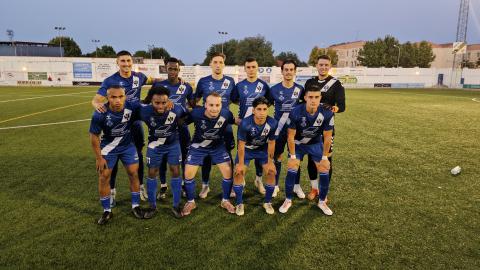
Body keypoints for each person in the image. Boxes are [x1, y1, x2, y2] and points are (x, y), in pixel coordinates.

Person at [91, 50, 154, 205]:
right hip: (117, 121)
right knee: (113, 155)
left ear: (132, 62)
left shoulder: (139, 77)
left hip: (134, 122)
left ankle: (139, 187)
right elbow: (96, 99)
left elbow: (154, 81)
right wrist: (97, 105)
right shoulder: (110, 80)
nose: (126, 64)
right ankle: (112, 189)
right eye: (123, 61)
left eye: (128, 61)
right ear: (117, 62)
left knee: (137, 154)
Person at [89, 86, 154, 225]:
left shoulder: (132, 106)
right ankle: (107, 210)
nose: (117, 100)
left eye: (120, 97)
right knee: (103, 177)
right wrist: (99, 157)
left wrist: (169, 103)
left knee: (133, 173)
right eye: (113, 97)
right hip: (108, 148)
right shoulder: (100, 113)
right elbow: (94, 136)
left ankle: (135, 206)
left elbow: (151, 105)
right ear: (107, 98)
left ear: (125, 97)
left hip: (127, 147)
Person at [278, 84, 334, 215]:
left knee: (325, 169)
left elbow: (327, 137)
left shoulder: (327, 112)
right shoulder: (295, 111)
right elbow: (290, 136)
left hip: (315, 144)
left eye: (316, 97)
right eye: (310, 97)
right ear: (305, 97)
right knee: (292, 168)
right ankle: (288, 200)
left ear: (320, 98)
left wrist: (325, 157)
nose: (313, 100)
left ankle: (321, 202)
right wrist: (292, 157)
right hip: (298, 144)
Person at [181, 92, 236, 216]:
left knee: (228, 172)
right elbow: (181, 122)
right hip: (198, 146)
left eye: (217, 105)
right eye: (211, 105)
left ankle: (225, 201)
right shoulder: (196, 113)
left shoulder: (226, 114)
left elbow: (237, 121)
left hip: (218, 146)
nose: (214, 108)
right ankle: (190, 202)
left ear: (221, 105)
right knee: (188, 173)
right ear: (205, 105)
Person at [302, 55, 346, 201]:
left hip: (327, 127)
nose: (323, 67)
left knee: (326, 159)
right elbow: (303, 100)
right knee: (311, 160)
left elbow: (342, 106)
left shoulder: (336, 84)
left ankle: (323, 191)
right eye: (321, 65)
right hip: (310, 127)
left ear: (330, 66)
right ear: (316, 65)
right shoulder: (310, 82)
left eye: (326, 65)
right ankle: (314, 188)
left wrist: (334, 108)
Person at [139, 86, 187, 218]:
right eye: (157, 103)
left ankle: (176, 205)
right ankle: (152, 206)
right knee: (152, 172)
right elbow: (128, 105)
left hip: (173, 144)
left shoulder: (176, 108)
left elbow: (188, 114)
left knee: (175, 170)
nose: (160, 106)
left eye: (164, 102)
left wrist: (181, 122)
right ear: (151, 102)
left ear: (168, 101)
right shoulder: (144, 111)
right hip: (155, 146)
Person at [194, 52, 236, 199]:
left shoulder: (230, 81)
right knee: (206, 155)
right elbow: (195, 101)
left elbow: (236, 100)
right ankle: (205, 185)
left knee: (228, 155)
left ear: (224, 64)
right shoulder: (203, 81)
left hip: (225, 125)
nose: (218, 65)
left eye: (220, 62)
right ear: (210, 64)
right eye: (215, 62)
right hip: (207, 126)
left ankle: (230, 187)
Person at [152, 57, 195, 199]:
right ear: (166, 69)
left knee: (183, 158)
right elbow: (149, 104)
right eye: (170, 68)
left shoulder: (186, 87)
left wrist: (185, 121)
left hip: (181, 130)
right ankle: (163, 186)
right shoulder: (159, 86)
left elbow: (193, 107)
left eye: (175, 69)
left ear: (179, 70)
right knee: (163, 159)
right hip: (163, 130)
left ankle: (182, 184)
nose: (173, 71)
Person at [231, 57, 270, 195]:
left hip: (260, 127)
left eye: (254, 67)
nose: (251, 69)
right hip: (244, 126)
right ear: (245, 69)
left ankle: (258, 180)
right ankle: (240, 181)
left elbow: (267, 103)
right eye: (248, 67)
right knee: (241, 152)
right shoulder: (239, 86)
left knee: (260, 153)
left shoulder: (264, 86)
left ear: (257, 68)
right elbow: (235, 100)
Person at [266, 59, 304, 198]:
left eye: (291, 69)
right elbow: (266, 106)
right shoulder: (274, 89)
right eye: (286, 69)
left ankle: (296, 186)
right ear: (282, 71)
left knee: (295, 158)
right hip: (279, 129)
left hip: (295, 130)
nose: (288, 72)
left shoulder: (300, 89)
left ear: (295, 71)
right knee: (278, 156)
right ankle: (275, 185)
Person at [234, 97, 277, 215]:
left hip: (262, 150)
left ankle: (267, 202)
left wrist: (270, 160)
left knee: (272, 171)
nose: (262, 112)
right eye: (259, 109)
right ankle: (239, 203)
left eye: (264, 109)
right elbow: (241, 145)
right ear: (253, 110)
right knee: (238, 172)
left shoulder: (272, 123)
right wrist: (241, 164)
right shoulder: (245, 123)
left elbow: (272, 142)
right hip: (247, 150)